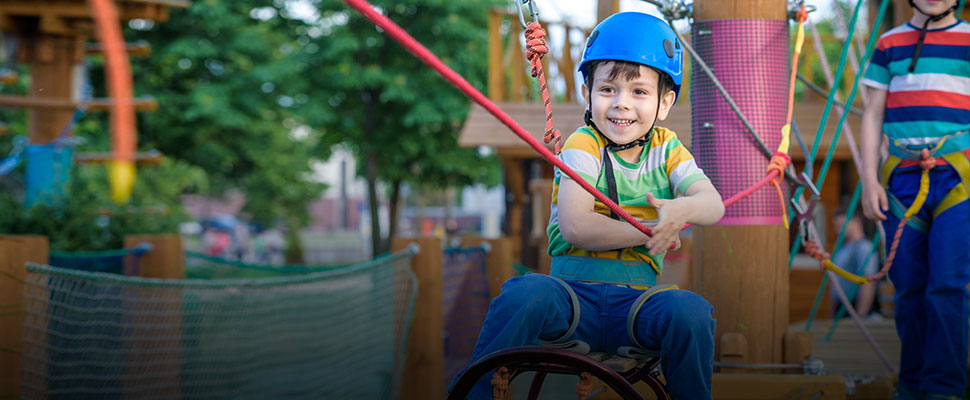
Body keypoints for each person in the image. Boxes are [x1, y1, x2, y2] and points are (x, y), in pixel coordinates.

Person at [450, 12, 725, 400]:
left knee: (690, 311)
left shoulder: (667, 150)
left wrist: (682, 211)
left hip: (636, 307)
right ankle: (474, 393)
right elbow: (578, 227)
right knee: (524, 292)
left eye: (639, 92)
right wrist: (652, 230)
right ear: (588, 92)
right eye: (608, 89)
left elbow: (713, 205)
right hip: (571, 302)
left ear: (664, 102)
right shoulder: (583, 144)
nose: (621, 104)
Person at [859, 0, 970, 398]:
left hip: (959, 177)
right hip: (903, 179)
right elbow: (873, 114)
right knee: (907, 286)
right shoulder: (889, 43)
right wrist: (869, 180)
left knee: (947, 283)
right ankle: (912, 382)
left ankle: (943, 387)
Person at [828, 210, 879, 318]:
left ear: (855, 222)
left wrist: (860, 315)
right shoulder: (841, 248)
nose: (837, 230)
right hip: (841, 308)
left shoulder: (864, 247)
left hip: (855, 308)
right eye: (835, 226)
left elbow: (868, 283)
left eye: (840, 225)